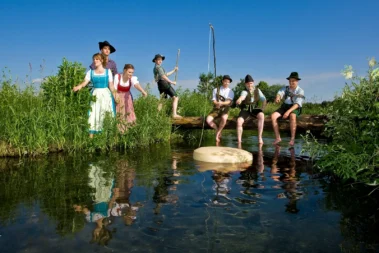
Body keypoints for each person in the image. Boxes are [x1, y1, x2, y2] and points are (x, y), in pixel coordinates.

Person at [73, 53, 116, 138]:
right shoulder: (90, 72)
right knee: (93, 113)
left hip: (106, 95)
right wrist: (78, 87)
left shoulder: (108, 72)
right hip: (95, 94)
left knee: (107, 112)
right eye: (94, 59)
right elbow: (84, 83)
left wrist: (115, 96)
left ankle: (108, 137)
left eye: (97, 59)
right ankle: (91, 139)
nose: (95, 61)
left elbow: (111, 86)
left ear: (102, 60)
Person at [271, 72, 305, 146]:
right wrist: (278, 98)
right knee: (273, 116)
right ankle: (278, 138)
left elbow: (297, 104)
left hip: (294, 107)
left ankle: (292, 139)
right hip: (285, 106)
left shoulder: (300, 91)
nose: (291, 82)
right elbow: (280, 93)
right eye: (290, 81)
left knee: (292, 116)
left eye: (293, 81)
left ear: (297, 81)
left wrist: (288, 112)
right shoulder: (285, 88)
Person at [114, 64, 147, 132]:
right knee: (120, 114)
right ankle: (120, 131)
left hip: (127, 98)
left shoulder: (132, 78)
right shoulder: (118, 77)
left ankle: (130, 130)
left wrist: (143, 91)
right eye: (129, 72)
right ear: (124, 70)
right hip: (118, 97)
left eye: (132, 72)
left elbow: (136, 84)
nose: (131, 74)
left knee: (129, 112)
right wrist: (116, 98)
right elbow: (114, 89)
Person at [235, 74, 267, 144]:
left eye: (251, 83)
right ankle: (239, 141)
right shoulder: (244, 91)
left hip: (254, 109)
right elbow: (242, 96)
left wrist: (262, 108)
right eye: (248, 84)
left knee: (261, 115)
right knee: (239, 121)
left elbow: (264, 99)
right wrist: (239, 99)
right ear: (245, 84)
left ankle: (260, 138)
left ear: (253, 82)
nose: (249, 85)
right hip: (245, 109)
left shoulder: (258, 90)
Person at [206, 75, 234, 143]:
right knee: (208, 120)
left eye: (228, 82)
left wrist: (221, 103)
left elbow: (228, 102)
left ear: (229, 83)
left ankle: (218, 133)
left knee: (224, 118)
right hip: (216, 108)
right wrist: (217, 103)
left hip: (225, 108)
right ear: (222, 81)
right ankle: (216, 129)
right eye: (225, 81)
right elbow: (213, 100)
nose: (226, 83)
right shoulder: (216, 90)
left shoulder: (231, 91)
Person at [152, 54, 181, 118]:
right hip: (164, 83)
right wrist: (171, 82)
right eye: (159, 60)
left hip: (160, 85)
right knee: (175, 97)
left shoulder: (156, 68)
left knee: (162, 101)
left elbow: (166, 74)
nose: (160, 61)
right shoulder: (158, 67)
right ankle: (174, 114)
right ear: (155, 60)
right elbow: (163, 76)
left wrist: (174, 70)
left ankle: (156, 116)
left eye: (161, 60)